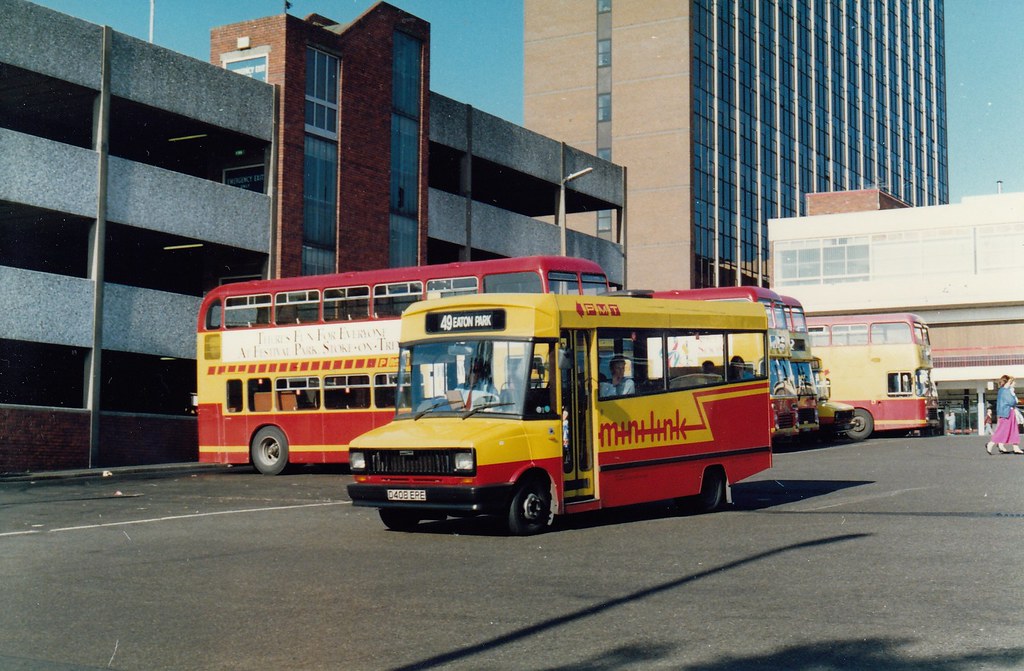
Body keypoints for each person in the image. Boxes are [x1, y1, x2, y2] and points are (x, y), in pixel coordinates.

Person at [986, 375, 1022, 455]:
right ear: (1008, 382)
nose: (1014, 383)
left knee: (1013, 430)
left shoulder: (1003, 390)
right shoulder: (1005, 391)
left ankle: (1016, 447)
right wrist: (1014, 396)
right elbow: (1012, 402)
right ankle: (991, 443)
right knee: (1003, 430)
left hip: (1008, 412)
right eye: (1012, 382)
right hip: (1007, 413)